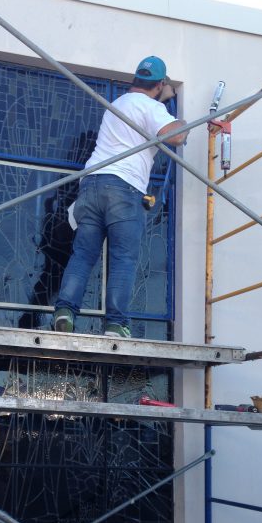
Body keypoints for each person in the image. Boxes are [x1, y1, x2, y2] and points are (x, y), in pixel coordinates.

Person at [53, 56, 188, 338]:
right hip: (124, 187)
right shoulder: (151, 106)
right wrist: (181, 118)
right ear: (160, 84)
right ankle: (115, 324)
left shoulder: (116, 105)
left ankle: (64, 311)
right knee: (123, 258)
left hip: (90, 185)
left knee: (83, 254)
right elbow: (175, 136)